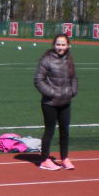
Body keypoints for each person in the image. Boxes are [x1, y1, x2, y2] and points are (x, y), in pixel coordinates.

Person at [34, 33, 78, 171]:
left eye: (63, 44)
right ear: (54, 45)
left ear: (68, 46)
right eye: (58, 44)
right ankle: (45, 160)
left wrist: (73, 91)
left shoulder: (69, 60)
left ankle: (64, 158)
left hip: (65, 102)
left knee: (65, 131)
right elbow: (38, 80)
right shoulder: (47, 60)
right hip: (50, 103)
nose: (60, 47)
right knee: (50, 131)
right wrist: (52, 93)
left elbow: (74, 78)